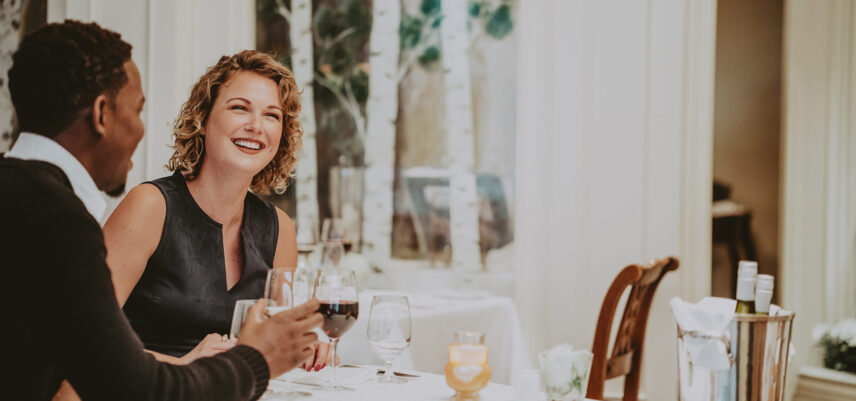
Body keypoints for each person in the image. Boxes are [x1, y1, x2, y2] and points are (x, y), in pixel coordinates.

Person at [1, 20, 321, 401]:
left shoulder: (38, 203)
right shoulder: (66, 218)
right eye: (138, 111)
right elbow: (105, 374)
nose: (140, 131)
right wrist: (241, 360)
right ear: (202, 122)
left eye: (272, 115)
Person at [101, 50, 332, 371]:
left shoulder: (279, 228)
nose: (255, 125)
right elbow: (85, 338)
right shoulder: (149, 206)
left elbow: (281, 342)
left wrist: (310, 343)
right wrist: (184, 363)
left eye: (272, 115)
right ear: (203, 121)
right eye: (240, 108)